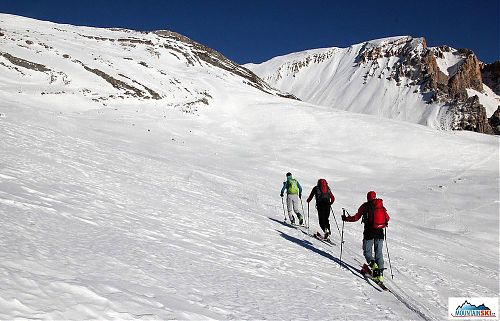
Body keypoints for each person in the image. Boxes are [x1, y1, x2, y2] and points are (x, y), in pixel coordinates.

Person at [342, 191, 390, 284]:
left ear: (367, 197)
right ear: (375, 197)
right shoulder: (381, 206)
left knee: (367, 252)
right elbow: (387, 218)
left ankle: (374, 268)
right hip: (380, 233)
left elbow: (356, 217)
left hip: (369, 233)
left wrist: (346, 218)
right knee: (379, 253)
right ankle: (380, 275)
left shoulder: (365, 206)